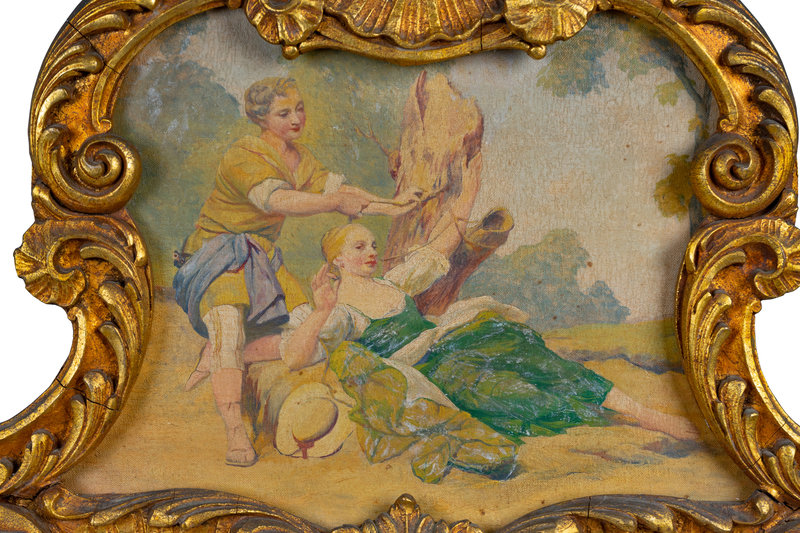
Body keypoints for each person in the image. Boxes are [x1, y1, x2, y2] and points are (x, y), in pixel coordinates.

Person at [271, 151, 700, 482]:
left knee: (526, 349)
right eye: (359, 247)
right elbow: (294, 358)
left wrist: (468, 191)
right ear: (337, 260)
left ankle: (646, 414)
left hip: (455, 343)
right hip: (436, 372)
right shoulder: (340, 312)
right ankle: (606, 415)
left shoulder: (391, 283)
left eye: (371, 245)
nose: (371, 252)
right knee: (513, 393)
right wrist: (321, 312)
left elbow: (439, 248)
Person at [174, 77, 419, 467]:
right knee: (228, 327)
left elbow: (345, 195)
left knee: (315, 326)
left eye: (299, 108)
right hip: (218, 256)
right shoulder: (243, 154)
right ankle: (235, 430)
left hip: (263, 259)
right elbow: (278, 200)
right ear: (261, 118)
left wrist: (393, 206)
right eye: (283, 113)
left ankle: (224, 353)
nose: (296, 119)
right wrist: (333, 202)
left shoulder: (302, 159)